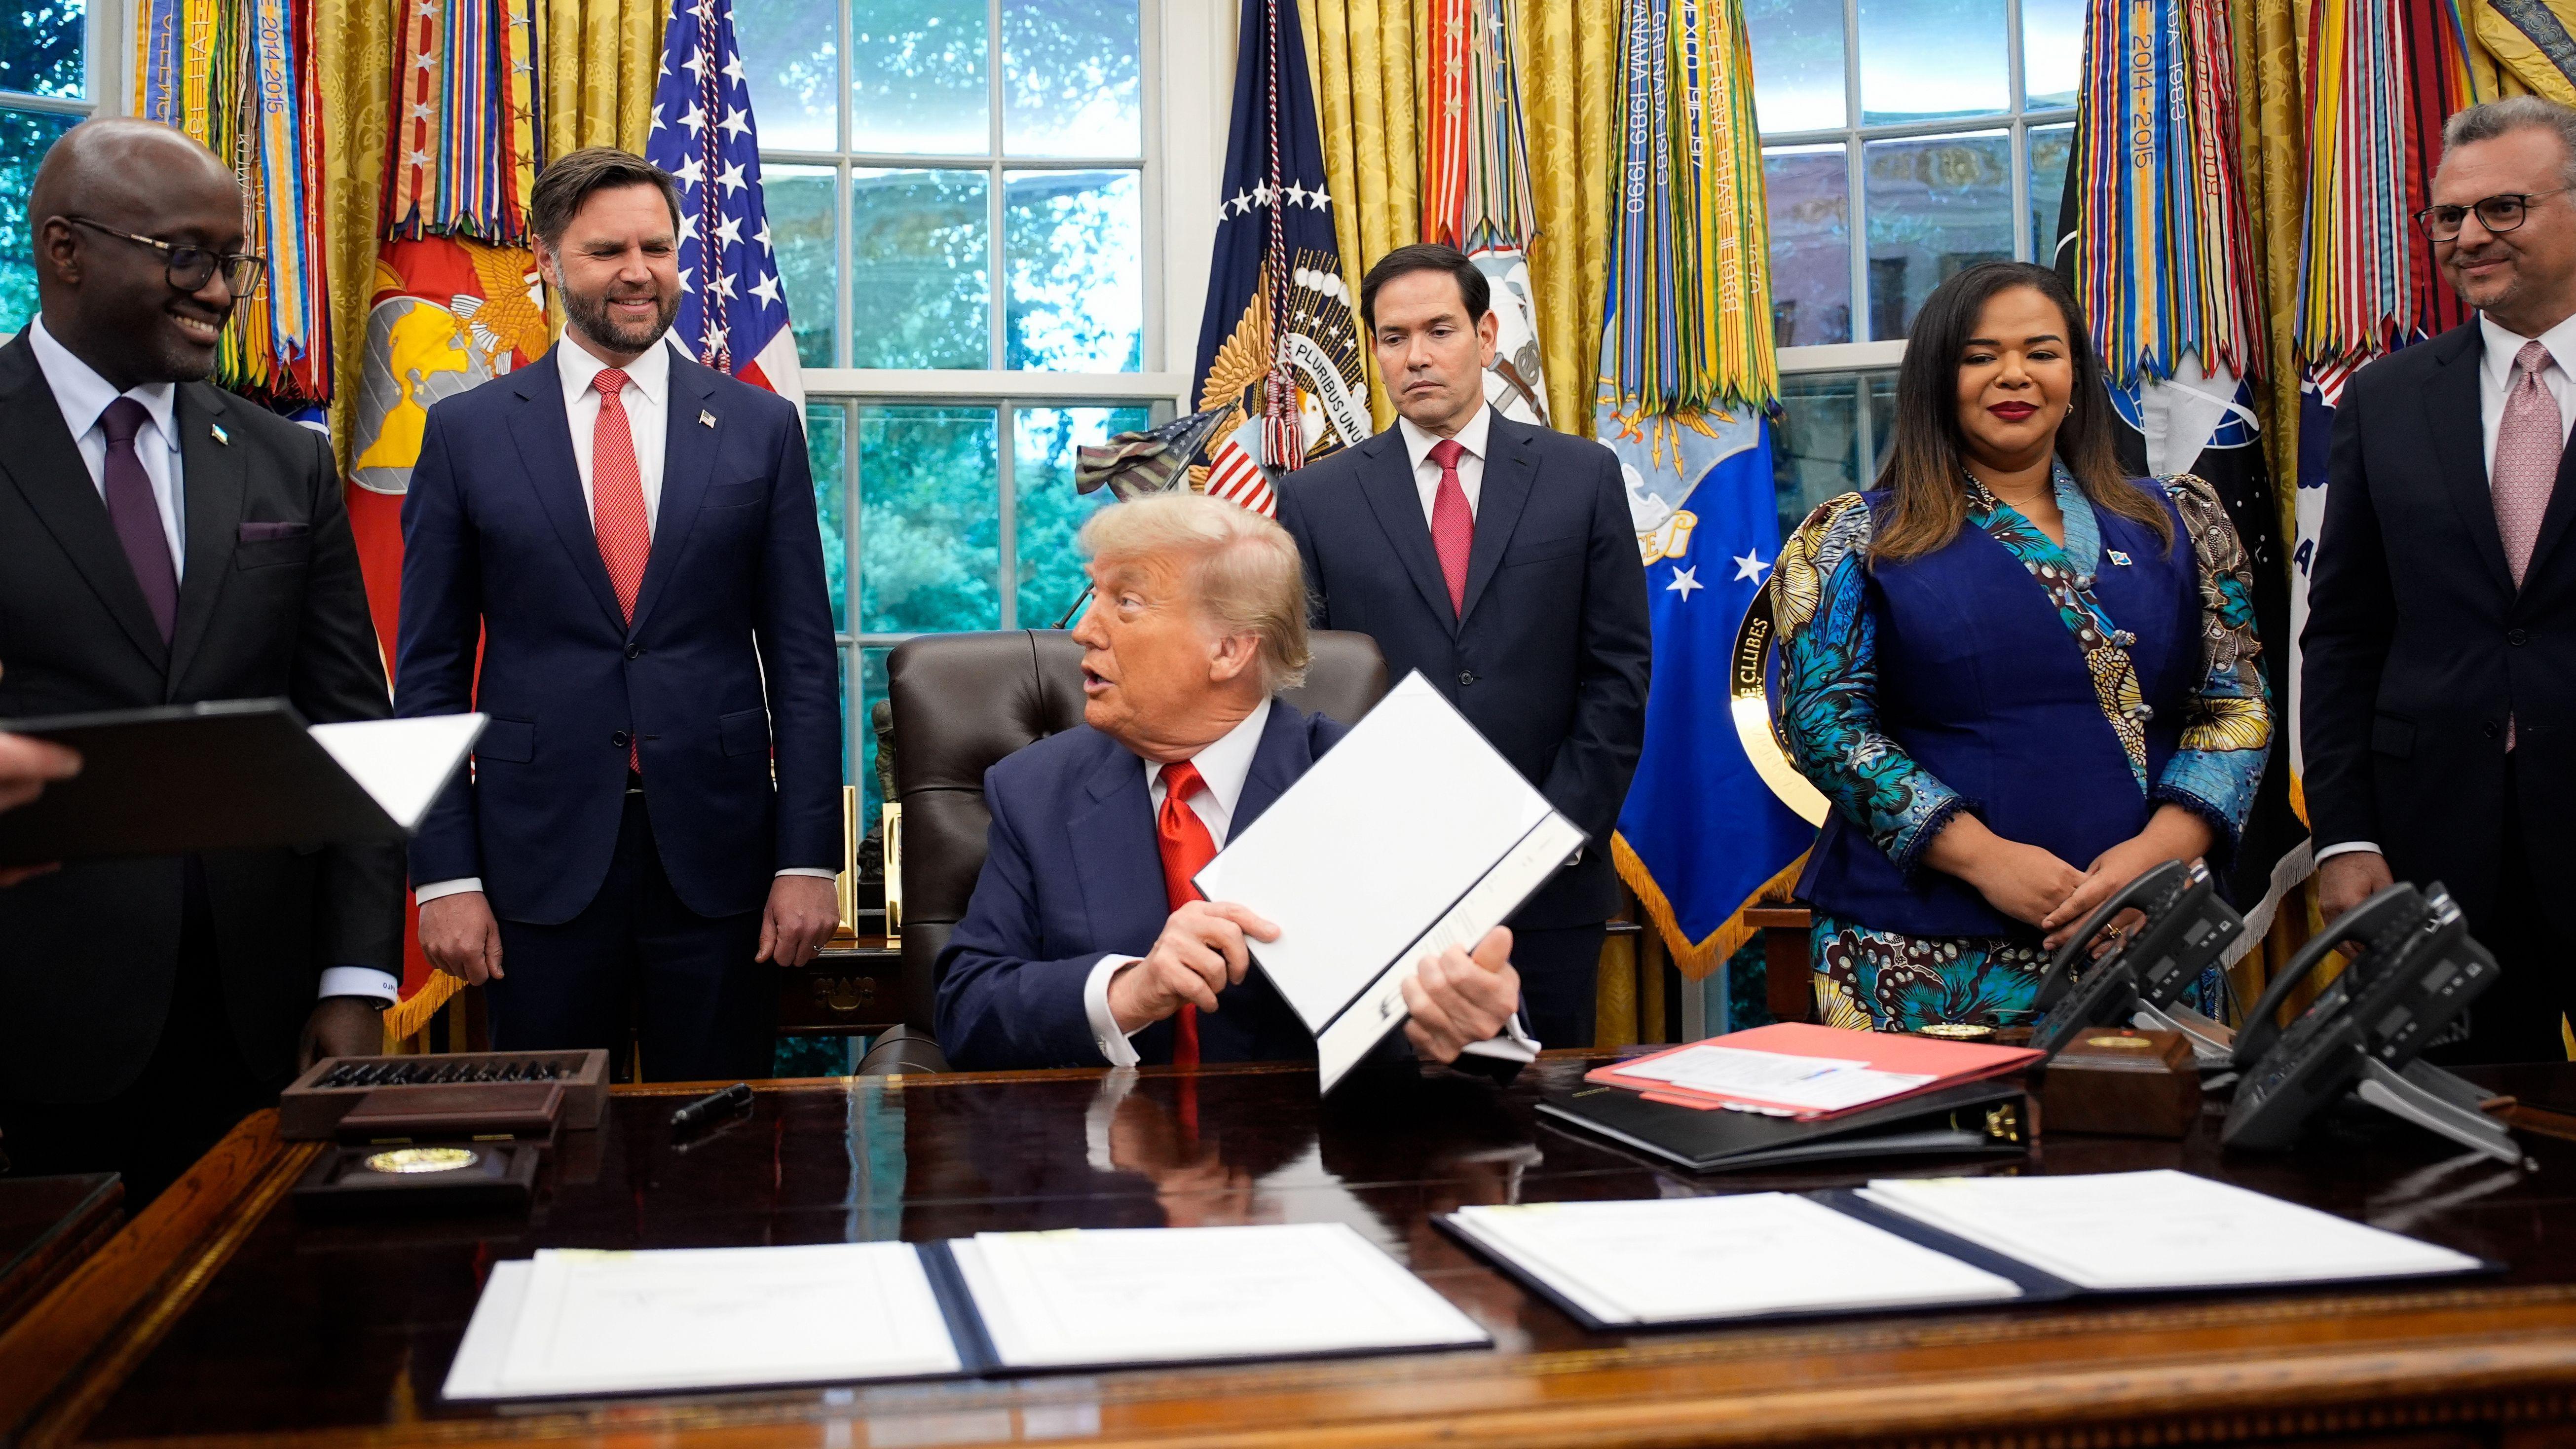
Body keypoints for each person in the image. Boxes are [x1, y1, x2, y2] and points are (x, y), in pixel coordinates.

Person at [0, 120, 402, 1200]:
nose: (221, 291)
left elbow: (352, 732)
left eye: (234, 261)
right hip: (34, 1024)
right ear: (66, 249)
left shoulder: (285, 461)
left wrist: (358, 973)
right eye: (187, 255)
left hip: (263, 1021)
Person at [396, 148, 840, 1081]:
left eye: (657, 247)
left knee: (719, 1152)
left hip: (721, 864)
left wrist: (810, 857)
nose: (639, 271)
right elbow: (429, 672)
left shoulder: (759, 428)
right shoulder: (468, 432)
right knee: (553, 1151)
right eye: (607, 251)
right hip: (534, 863)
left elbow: (802, 660)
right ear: (548, 261)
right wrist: (444, 874)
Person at [1767, 260, 2271, 1033]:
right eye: (1979, 356)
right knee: (1936, 1156)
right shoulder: (1854, 535)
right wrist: (1985, 860)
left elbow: (2235, 705)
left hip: (2148, 925)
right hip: (1916, 945)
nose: (2014, 375)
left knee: (2146, 1149)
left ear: (2075, 371)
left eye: (2041, 352)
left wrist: (2156, 857)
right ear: (1939, 375)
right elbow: (1826, 726)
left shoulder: (2181, 519)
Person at [933, 492, 1532, 1072]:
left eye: (1127, 602)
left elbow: (1474, 1008)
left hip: (1314, 1157)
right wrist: (1132, 991)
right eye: (1094, 595)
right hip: (1109, 1158)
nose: (1084, 630)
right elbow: (966, 1010)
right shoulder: (1034, 790)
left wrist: (1471, 1024)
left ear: (1227, 651)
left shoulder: (1363, 786)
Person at [1275, 243, 1652, 1050]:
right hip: (1380, 885)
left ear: (1486, 336)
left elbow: (1618, 671)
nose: (1415, 356)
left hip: (1550, 879)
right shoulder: (1314, 499)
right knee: (1394, 1151)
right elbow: (1304, 688)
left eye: (1439, 330)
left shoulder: (1581, 476)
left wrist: (1550, 831)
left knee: (1544, 1139)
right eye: (1392, 337)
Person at [2305, 97, 2576, 1063]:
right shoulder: (2385, 398)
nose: (2470, 236)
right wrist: (2343, 837)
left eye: (2502, 208)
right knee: (2460, 1167)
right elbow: (2342, 634)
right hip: (2434, 852)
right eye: (2449, 215)